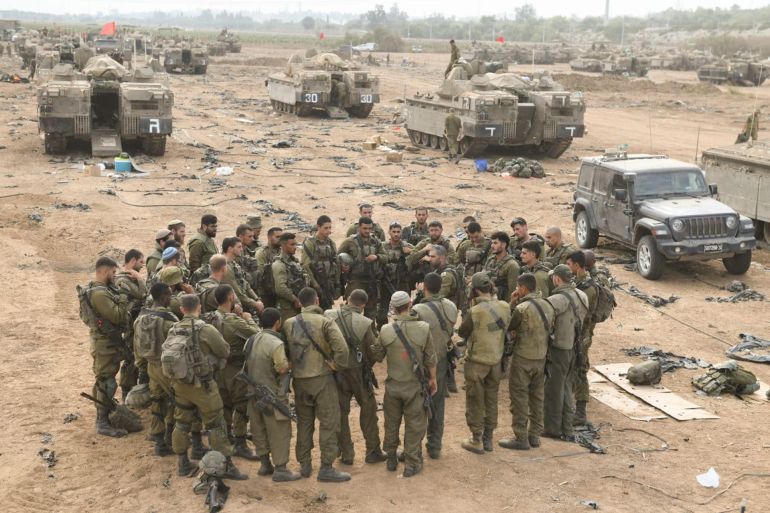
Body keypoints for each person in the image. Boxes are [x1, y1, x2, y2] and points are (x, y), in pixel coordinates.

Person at [168, 294, 248, 480]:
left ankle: (183, 462)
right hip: (203, 385)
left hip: (180, 384)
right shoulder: (205, 329)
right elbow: (224, 350)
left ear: (182, 310)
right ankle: (226, 465)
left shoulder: (174, 328)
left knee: (181, 422)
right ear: (199, 307)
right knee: (216, 424)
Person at [283, 287, 351, 482]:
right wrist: (337, 365)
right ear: (317, 301)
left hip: (299, 380)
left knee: (304, 422)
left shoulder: (288, 323)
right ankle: (326, 467)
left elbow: (284, 350)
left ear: (300, 303)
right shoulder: (325, 322)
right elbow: (342, 349)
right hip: (322, 378)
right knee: (329, 421)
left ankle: (304, 465)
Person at [371, 291, 438, 477]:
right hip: (415, 386)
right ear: (410, 304)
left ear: (393, 307)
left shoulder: (386, 330)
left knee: (391, 424)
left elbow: (378, 355)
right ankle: (412, 463)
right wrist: (433, 379)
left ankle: (391, 459)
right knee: (415, 424)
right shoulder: (423, 328)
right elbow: (430, 358)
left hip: (393, 386)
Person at [324, 289, 386, 465]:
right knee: (368, 408)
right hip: (358, 372)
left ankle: (347, 453)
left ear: (348, 300)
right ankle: (373, 451)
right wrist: (365, 364)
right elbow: (374, 353)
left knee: (340, 412)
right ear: (363, 306)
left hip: (336, 370)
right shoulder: (365, 323)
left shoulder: (328, 316)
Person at [243, 307, 301, 482]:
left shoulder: (251, 340)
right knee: (279, 430)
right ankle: (281, 469)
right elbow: (281, 368)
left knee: (258, 428)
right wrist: (291, 364)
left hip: (253, 393)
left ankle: (264, 464)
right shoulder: (276, 343)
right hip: (272, 395)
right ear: (278, 323)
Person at [499, 274, 554, 451]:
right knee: (537, 397)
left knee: (519, 398)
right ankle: (534, 436)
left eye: (518, 287)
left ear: (523, 288)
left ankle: (520, 437)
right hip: (541, 358)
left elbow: (508, 326)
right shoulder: (548, 304)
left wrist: (511, 302)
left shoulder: (522, 308)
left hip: (523, 358)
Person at [459, 273, 511, 454]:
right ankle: (488, 438)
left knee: (475, 399)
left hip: (477, 362)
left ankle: (476, 439)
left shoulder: (475, 311)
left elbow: (462, 332)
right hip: (496, 360)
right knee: (491, 398)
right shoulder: (504, 306)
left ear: (474, 290)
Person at [208, 284, 261, 461]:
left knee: (224, 405)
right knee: (241, 405)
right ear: (231, 297)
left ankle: (227, 437)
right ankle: (240, 443)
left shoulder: (209, 318)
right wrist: (248, 318)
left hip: (217, 369)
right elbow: (257, 335)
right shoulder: (234, 321)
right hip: (236, 369)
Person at [81, 256, 131, 437]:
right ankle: (102, 422)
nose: (115, 275)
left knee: (105, 380)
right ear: (103, 271)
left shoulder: (100, 289)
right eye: (113, 272)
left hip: (106, 343)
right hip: (104, 345)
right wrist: (123, 296)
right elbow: (117, 316)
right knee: (106, 382)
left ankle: (104, 416)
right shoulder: (99, 294)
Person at [412, 273, 457, 459]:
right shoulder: (451, 306)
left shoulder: (418, 309)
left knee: (417, 405)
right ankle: (435, 446)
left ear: (425, 287)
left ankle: (414, 447)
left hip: (423, 363)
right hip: (443, 359)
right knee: (438, 404)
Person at [133, 282, 179, 456]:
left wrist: (141, 368)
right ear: (163, 296)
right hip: (167, 369)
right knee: (176, 401)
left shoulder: (140, 318)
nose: (170, 299)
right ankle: (170, 437)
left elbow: (136, 346)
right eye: (169, 295)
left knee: (157, 402)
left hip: (151, 366)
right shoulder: (169, 320)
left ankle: (159, 442)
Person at [543, 265, 588, 439]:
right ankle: (567, 427)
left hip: (559, 349)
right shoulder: (582, 295)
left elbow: (545, 322)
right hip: (576, 348)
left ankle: (553, 429)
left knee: (554, 389)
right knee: (567, 387)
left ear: (557, 279)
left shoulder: (557, 299)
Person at [566, 251, 598, 426]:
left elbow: (582, 315)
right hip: (576, 333)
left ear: (577, 266)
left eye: (569, 264)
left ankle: (580, 412)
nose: (568, 267)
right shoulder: (578, 282)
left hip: (582, 335)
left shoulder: (588, 288)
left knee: (580, 370)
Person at [338, 216, 385, 321]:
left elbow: (386, 257)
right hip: (356, 281)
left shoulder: (376, 241)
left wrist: (376, 257)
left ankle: (369, 330)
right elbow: (337, 256)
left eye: (370, 228)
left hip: (372, 281)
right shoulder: (350, 241)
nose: (367, 231)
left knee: (371, 313)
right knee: (351, 310)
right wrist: (343, 266)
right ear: (359, 227)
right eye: (365, 228)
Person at [114, 249, 146, 402]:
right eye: (141, 261)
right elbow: (143, 295)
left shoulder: (128, 278)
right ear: (133, 261)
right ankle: (127, 390)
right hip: (129, 325)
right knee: (130, 358)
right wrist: (140, 279)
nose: (143, 264)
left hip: (135, 323)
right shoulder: (123, 280)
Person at [301, 215, 341, 311]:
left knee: (327, 310)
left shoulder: (331, 243)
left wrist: (337, 282)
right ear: (318, 227)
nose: (328, 230)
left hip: (328, 282)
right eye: (325, 228)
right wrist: (315, 284)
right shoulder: (310, 242)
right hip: (315, 283)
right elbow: (305, 265)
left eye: (330, 227)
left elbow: (336, 262)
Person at [378, 222, 414, 326]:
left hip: (402, 283)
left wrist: (410, 252)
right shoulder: (382, 246)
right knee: (381, 313)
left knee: (404, 311)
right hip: (385, 283)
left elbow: (418, 255)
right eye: (394, 231)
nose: (396, 234)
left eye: (398, 232)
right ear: (389, 232)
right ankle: (382, 330)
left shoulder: (407, 246)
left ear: (401, 232)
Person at [272, 232, 309, 323]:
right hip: (287, 307)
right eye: (292, 245)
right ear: (283, 246)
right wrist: (295, 300)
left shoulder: (293, 262)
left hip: (297, 304)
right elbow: (280, 288)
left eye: (295, 244)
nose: (295, 247)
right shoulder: (279, 264)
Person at [222, 236, 263, 315]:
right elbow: (236, 291)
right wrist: (255, 304)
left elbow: (245, 283)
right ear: (230, 248)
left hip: (242, 301)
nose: (241, 249)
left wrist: (257, 299)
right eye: (239, 247)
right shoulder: (225, 266)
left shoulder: (233, 263)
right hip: (232, 306)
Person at [407, 220, 457, 284]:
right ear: (428, 231)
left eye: (436, 230)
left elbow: (454, 261)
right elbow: (410, 259)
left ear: (441, 230)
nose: (434, 233)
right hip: (423, 276)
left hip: (440, 276)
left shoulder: (446, 245)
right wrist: (424, 250)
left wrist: (431, 259)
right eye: (432, 230)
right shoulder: (424, 243)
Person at [482, 232, 520, 301]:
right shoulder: (490, 260)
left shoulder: (512, 265)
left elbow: (512, 291)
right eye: (492, 243)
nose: (492, 246)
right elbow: (482, 278)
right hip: (487, 300)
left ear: (503, 245)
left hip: (502, 302)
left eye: (495, 243)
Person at [255, 227, 283, 307]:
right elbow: (260, 274)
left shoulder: (282, 252)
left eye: (281, 237)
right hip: (266, 293)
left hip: (279, 291)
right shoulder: (262, 253)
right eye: (277, 237)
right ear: (269, 237)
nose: (280, 239)